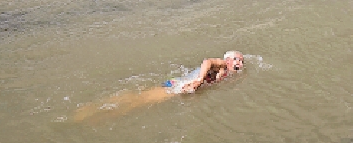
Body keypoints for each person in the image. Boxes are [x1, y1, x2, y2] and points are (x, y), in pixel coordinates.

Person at [73, 51, 244, 124]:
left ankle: (98, 114)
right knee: (138, 100)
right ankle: (91, 113)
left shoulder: (227, 74)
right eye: (238, 59)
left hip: (179, 84)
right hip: (178, 84)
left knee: (139, 100)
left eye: (242, 61)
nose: (240, 63)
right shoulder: (221, 65)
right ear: (228, 59)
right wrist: (199, 79)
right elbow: (207, 61)